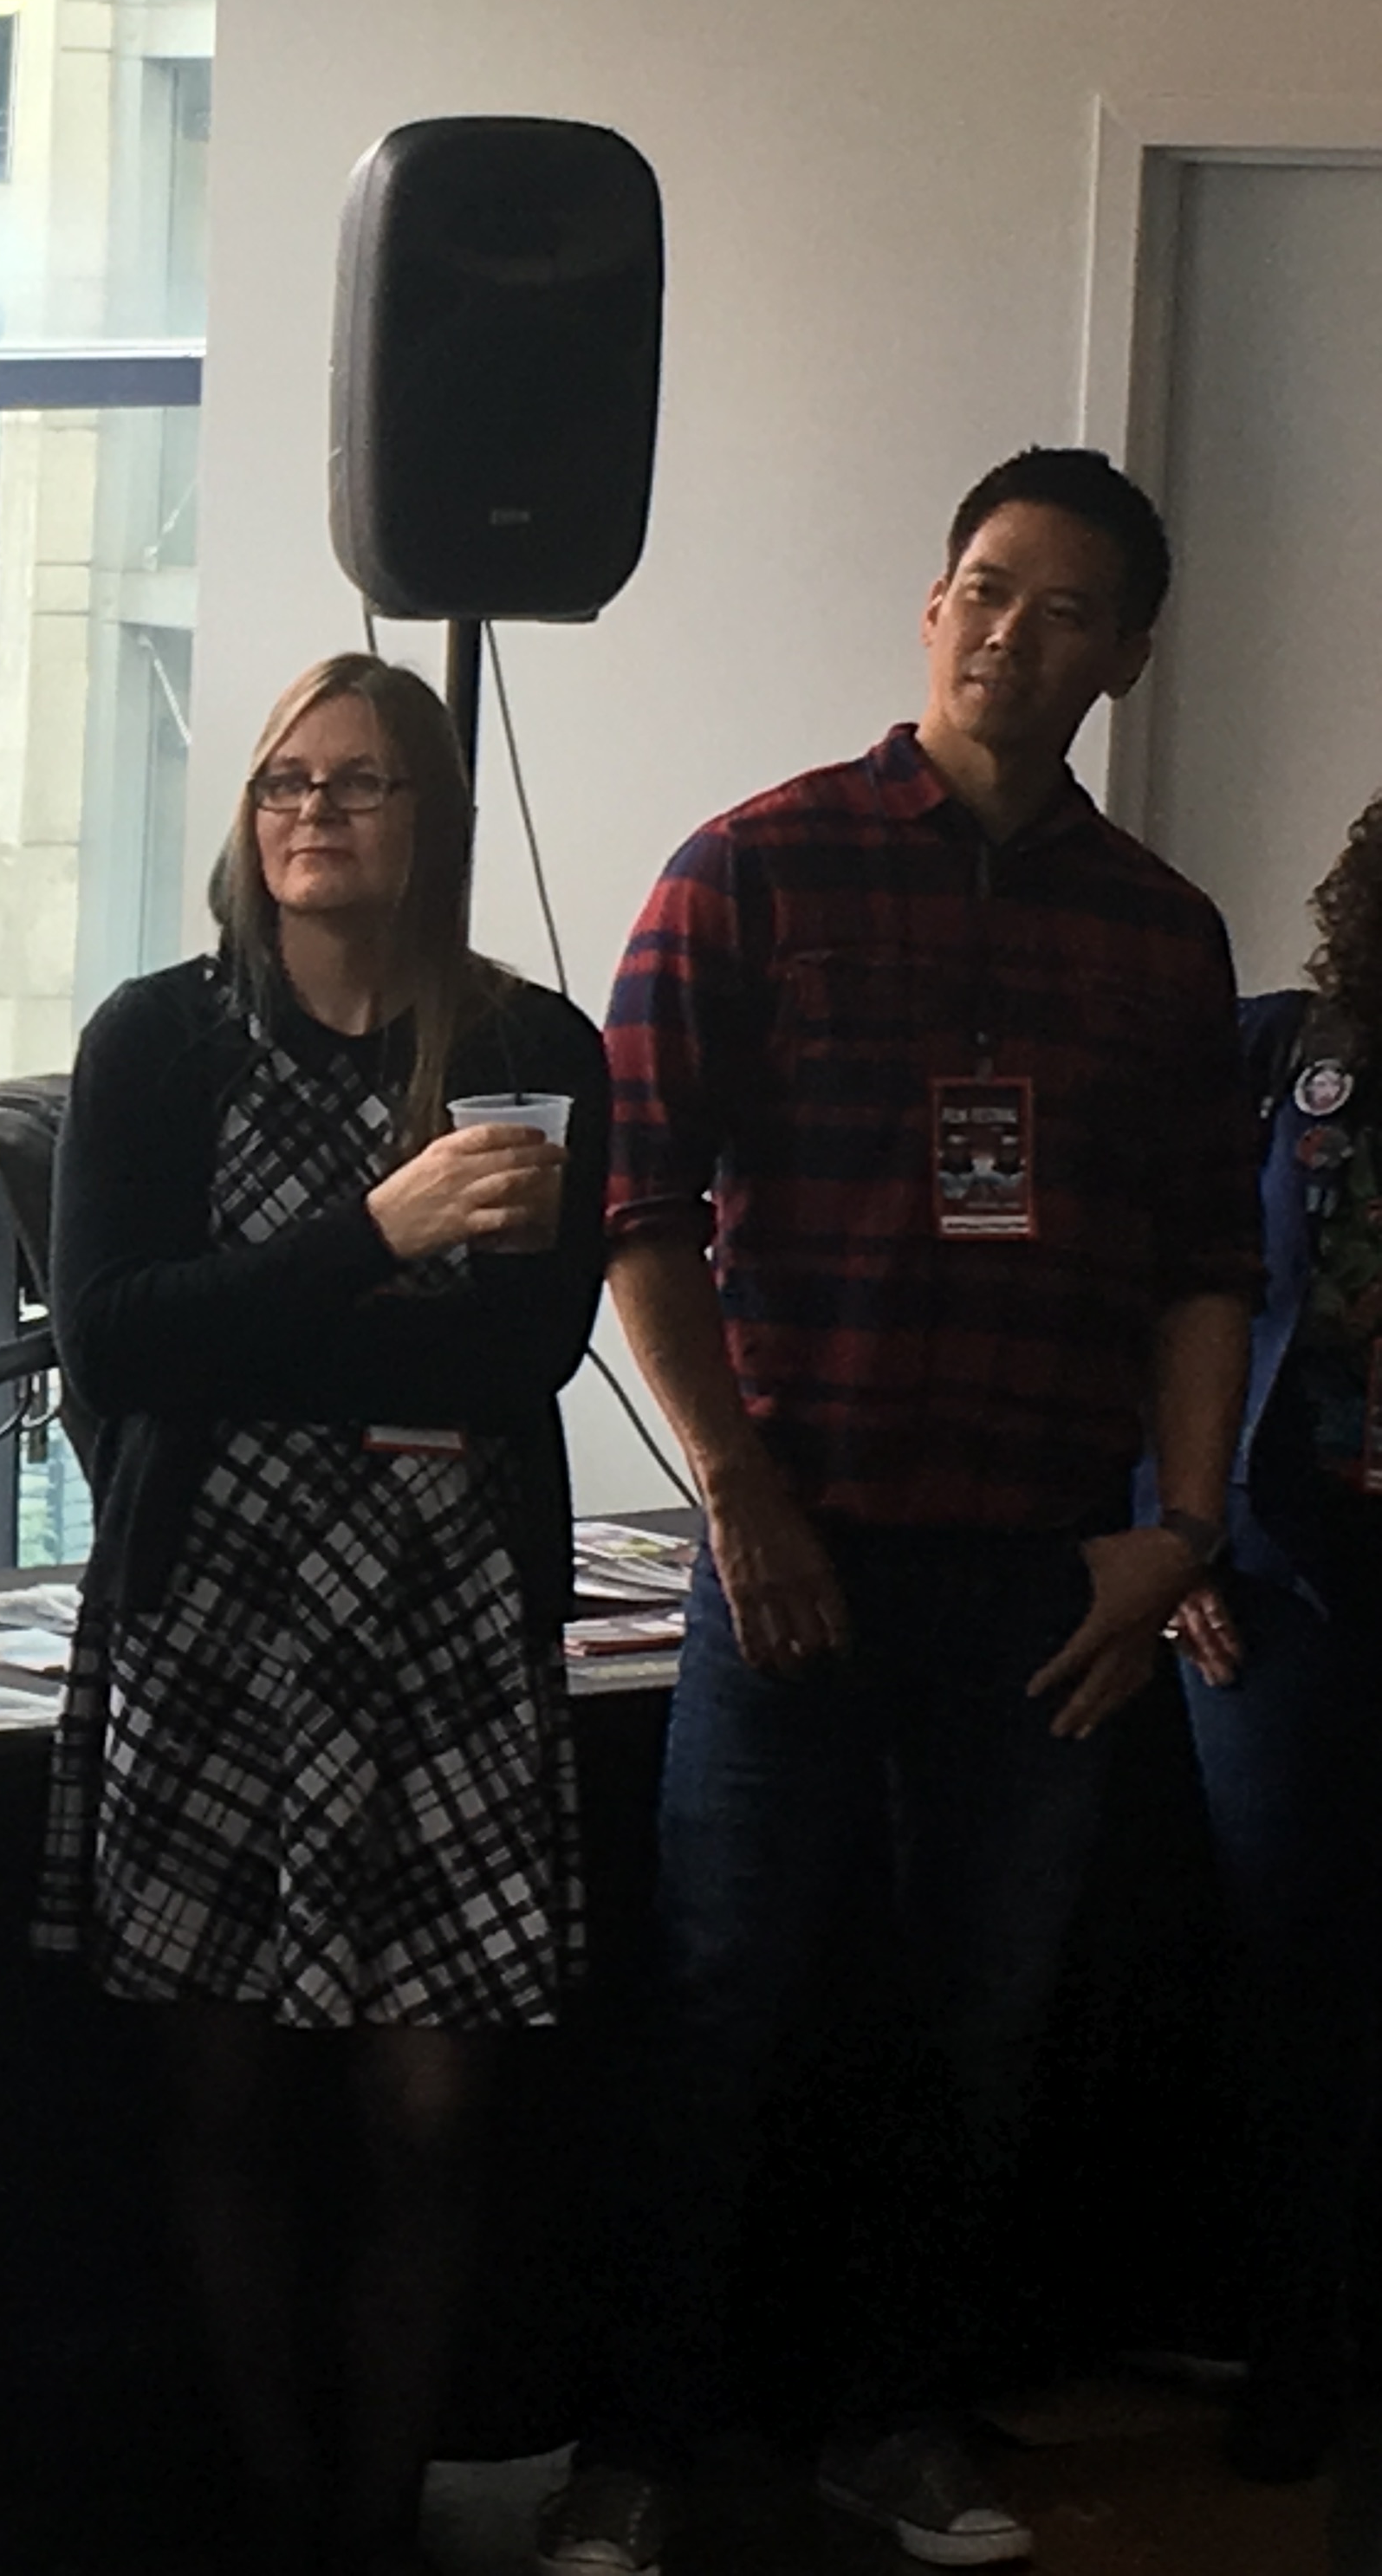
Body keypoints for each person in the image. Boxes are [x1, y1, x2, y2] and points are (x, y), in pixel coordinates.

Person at [540, 449, 1260, 2576]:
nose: (999, 630)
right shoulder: (751, 870)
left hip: (1043, 1569)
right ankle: (637, 2447)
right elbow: (632, 1209)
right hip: (796, 1546)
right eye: (974, 586)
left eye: (1055, 610)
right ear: (927, 604)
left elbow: (1207, 1262)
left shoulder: (1162, 934)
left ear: (1124, 655)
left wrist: (1187, 1529)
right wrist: (738, 1500)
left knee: (979, 2015)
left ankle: (896, 2421)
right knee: (723, 2003)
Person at [38, 652, 603, 2576]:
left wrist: (265, 1316)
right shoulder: (157, 1041)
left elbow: (522, 1354)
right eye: (283, 780)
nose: (310, 814)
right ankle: (279, 2514)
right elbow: (115, 1344)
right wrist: (378, 1241)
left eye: (357, 783)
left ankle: (377, 2521)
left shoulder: (537, 1043)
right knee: (221, 2090)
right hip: (213, 1608)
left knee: (432, 2107)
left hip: (443, 1619)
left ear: (430, 816)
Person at [1154, 799, 1382, 2483]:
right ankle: (1297, 2352)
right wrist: (1168, 1539)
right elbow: (1135, 1296)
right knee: (1295, 1982)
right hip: (1273, 1595)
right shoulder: (1275, 1058)